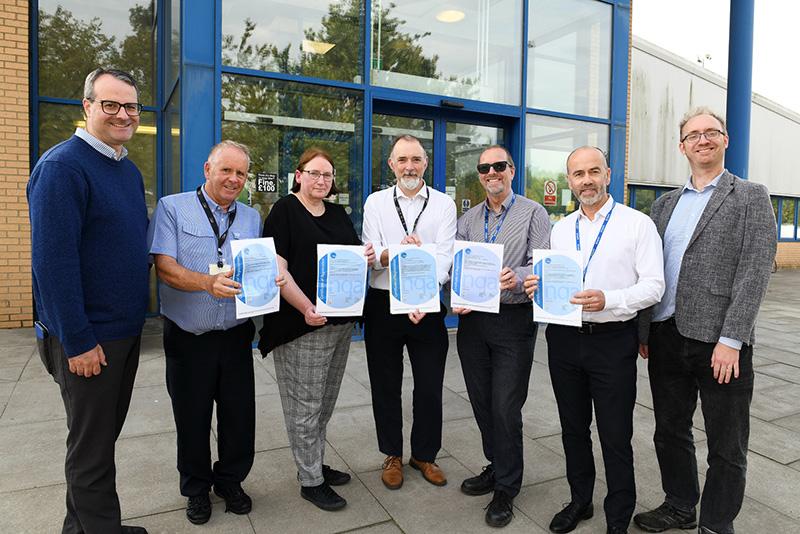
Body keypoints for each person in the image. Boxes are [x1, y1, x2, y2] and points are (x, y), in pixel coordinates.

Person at [633, 108, 777, 534]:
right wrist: (644, 332)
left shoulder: (750, 195)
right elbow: (649, 271)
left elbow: (755, 270)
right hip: (665, 335)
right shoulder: (663, 205)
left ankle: (716, 523)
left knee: (727, 444)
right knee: (669, 431)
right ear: (682, 146)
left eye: (710, 132)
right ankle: (680, 505)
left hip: (720, 344)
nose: (702, 139)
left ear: (725, 140)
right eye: (693, 135)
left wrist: (732, 339)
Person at [27, 68, 149, 534]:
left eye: (131, 106)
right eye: (110, 104)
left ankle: (80, 527)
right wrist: (77, 340)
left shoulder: (125, 168)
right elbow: (52, 265)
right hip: (88, 338)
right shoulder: (62, 167)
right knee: (92, 449)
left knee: (95, 441)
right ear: (87, 106)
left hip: (121, 332)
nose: (123, 114)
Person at [524, 146, 664, 534]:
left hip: (612, 340)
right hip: (565, 339)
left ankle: (618, 514)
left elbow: (654, 286)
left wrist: (611, 299)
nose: (586, 180)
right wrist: (540, 286)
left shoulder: (637, 224)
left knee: (615, 433)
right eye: (578, 174)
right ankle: (580, 501)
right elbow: (554, 279)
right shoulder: (560, 228)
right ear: (569, 181)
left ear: (608, 174)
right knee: (572, 427)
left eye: (593, 172)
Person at [148, 140, 283, 525]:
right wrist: (207, 284)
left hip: (235, 335)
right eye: (226, 170)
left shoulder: (251, 218)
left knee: (239, 417)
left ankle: (230, 481)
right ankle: (196, 489)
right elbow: (166, 268)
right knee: (191, 418)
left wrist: (266, 281)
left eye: (241, 173)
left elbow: (255, 267)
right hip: (189, 337)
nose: (234, 179)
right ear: (207, 169)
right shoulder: (172, 208)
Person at [259, 147, 375, 511]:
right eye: (314, 173)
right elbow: (278, 270)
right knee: (304, 406)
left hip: (338, 325)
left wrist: (366, 256)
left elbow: (352, 260)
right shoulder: (284, 211)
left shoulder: (339, 213)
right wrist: (305, 307)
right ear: (299, 175)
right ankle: (311, 481)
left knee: (324, 403)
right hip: (301, 325)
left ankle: (314, 463)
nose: (321, 180)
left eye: (327, 175)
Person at [452, 145, 550, 527]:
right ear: (479, 175)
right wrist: (454, 296)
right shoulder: (469, 219)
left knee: (506, 406)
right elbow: (459, 264)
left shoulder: (534, 212)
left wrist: (520, 277)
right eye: (484, 168)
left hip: (514, 319)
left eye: (499, 166)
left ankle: (507, 488)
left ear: (511, 170)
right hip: (473, 322)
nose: (491, 172)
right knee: (480, 401)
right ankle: (496, 464)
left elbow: (540, 261)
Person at [361, 134, 457, 490]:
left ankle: (425, 454)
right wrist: (396, 252)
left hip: (427, 305)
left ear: (425, 163)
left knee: (430, 386)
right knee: (385, 385)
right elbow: (371, 254)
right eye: (402, 160)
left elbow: (445, 257)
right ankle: (391, 454)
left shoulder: (444, 204)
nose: (409, 166)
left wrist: (422, 294)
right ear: (391, 165)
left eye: (416, 159)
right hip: (383, 303)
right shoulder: (376, 202)